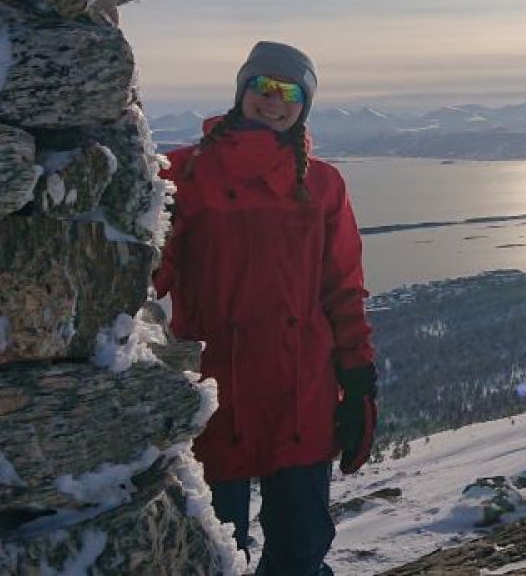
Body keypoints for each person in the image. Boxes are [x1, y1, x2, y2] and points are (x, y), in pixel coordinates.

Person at [154, 41, 376, 575]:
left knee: (300, 554)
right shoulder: (183, 173)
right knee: (212, 557)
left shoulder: (323, 184)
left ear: (304, 105)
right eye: (263, 86)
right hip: (214, 396)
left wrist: (358, 381)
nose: (274, 101)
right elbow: (147, 274)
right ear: (242, 90)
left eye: (290, 92)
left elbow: (343, 291)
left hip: (301, 394)